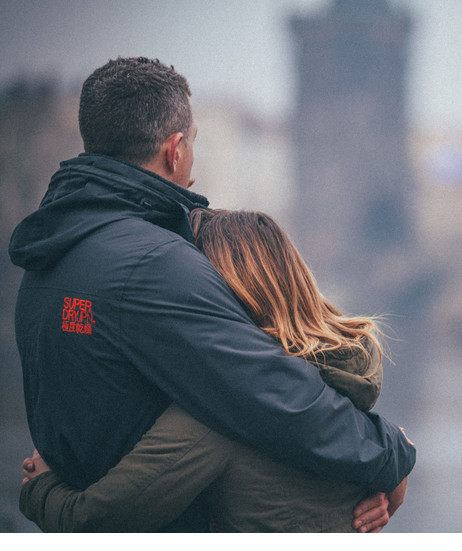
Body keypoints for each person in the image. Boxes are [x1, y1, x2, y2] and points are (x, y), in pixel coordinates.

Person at [8, 57, 414, 532]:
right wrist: (392, 454)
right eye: (195, 142)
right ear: (175, 150)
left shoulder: (46, 256)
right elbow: (271, 390)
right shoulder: (155, 263)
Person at [19, 208, 409, 532]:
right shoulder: (340, 374)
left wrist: (42, 488)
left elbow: (97, 523)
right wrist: (395, 477)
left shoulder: (222, 409)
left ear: (216, 295)